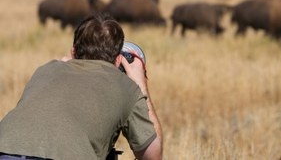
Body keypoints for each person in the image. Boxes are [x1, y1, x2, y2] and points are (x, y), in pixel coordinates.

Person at [0, 14, 163, 160]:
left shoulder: (44, 70)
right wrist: (140, 86)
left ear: (72, 52)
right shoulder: (126, 86)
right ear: (118, 60)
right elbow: (153, 155)